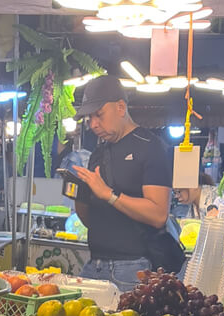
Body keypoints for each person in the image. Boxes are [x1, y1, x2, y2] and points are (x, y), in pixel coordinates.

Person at [71, 74, 176, 290]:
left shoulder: (150, 147)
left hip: (132, 268)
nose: (93, 124)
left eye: (99, 115)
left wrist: (109, 195)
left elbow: (158, 215)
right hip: (94, 263)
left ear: (120, 107)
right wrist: (78, 192)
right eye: (89, 118)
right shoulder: (98, 154)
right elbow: (90, 218)